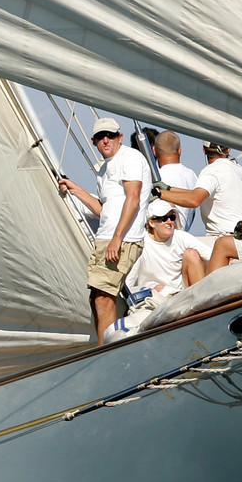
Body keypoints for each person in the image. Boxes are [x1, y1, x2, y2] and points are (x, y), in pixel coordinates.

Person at [57, 116, 149, 344]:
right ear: (94, 141)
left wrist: (117, 239)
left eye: (110, 135)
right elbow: (103, 209)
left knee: (103, 300)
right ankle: (111, 344)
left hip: (123, 239)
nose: (105, 140)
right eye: (100, 137)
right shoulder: (103, 170)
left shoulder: (131, 158)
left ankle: (105, 352)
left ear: (120, 137)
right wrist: (75, 189)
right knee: (97, 298)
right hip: (106, 238)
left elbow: (134, 198)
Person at [155, 141, 242, 239]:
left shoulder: (211, 171)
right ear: (229, 149)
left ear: (204, 150)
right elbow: (199, 194)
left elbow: (195, 200)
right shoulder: (238, 168)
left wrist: (159, 193)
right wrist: (168, 189)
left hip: (223, 237)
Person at [126, 199, 208, 301]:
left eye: (172, 217)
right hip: (155, 295)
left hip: (182, 292)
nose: (169, 222)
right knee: (159, 288)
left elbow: (211, 255)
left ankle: (202, 300)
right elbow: (129, 281)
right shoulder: (141, 244)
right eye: (164, 218)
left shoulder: (180, 236)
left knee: (191, 254)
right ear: (151, 223)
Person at [150, 131, 198, 231]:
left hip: (166, 237)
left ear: (154, 151)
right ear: (180, 150)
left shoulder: (156, 178)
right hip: (184, 235)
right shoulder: (192, 175)